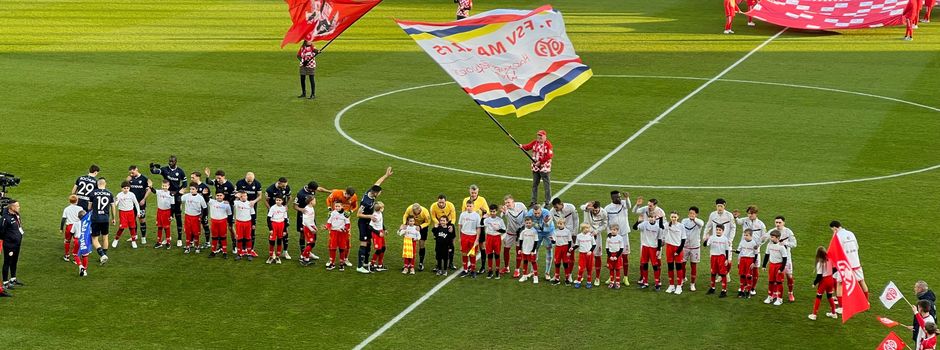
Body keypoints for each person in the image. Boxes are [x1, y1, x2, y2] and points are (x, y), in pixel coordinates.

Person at [355, 167, 393, 274]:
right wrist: (370, 216)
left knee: (368, 243)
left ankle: (366, 262)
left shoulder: (371, 191)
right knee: (363, 243)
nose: (380, 194)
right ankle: (359, 266)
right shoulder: (366, 202)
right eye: (379, 193)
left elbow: (378, 182)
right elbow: (358, 214)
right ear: (375, 193)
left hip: (369, 223)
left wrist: (386, 175)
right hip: (363, 223)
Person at [150, 156, 186, 247]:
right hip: (166, 196)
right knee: (165, 219)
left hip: (175, 197)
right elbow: (154, 172)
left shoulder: (180, 171)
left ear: (176, 162)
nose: (170, 162)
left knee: (177, 216)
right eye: (169, 161)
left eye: (172, 161)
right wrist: (152, 167)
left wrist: (177, 193)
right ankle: (167, 239)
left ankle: (179, 238)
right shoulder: (164, 169)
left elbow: (185, 184)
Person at [735, 205, 766, 296]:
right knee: (741, 267)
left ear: (756, 213)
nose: (749, 215)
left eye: (751, 213)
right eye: (748, 213)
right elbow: (738, 222)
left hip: (755, 250)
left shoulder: (761, 224)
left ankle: (752, 288)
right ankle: (744, 285)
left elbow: (764, 237)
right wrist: (736, 216)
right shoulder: (745, 220)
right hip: (744, 249)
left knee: (755, 268)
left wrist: (758, 245)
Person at [204, 168, 236, 252]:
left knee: (230, 227)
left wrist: (228, 201)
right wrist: (207, 176)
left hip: (228, 206)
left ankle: (234, 244)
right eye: (217, 178)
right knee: (218, 227)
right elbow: (209, 182)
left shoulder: (229, 185)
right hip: (219, 206)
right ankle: (220, 246)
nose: (218, 180)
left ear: (223, 177)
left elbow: (234, 196)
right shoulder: (216, 181)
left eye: (219, 178)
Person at [520, 130, 554, 206]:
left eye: (541, 136)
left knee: (546, 185)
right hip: (535, 167)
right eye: (538, 135)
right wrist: (522, 146)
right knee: (535, 184)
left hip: (544, 168)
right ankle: (533, 201)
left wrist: (540, 162)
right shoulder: (535, 142)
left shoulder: (548, 145)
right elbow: (528, 147)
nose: (539, 137)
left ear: (545, 137)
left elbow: (549, 156)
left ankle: (547, 201)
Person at [604, 191, 631, 284]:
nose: (619, 199)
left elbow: (629, 206)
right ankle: (611, 277)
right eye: (617, 198)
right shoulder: (607, 208)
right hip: (613, 236)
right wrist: (609, 233)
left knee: (625, 255)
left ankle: (625, 277)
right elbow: (606, 222)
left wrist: (627, 198)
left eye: (620, 197)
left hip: (624, 234)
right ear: (612, 198)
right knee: (612, 256)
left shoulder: (624, 203)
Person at [326, 186, 357, 267]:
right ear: (345, 193)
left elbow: (355, 206)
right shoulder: (337, 193)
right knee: (332, 241)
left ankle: (345, 259)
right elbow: (328, 200)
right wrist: (329, 210)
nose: (348, 198)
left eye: (350, 197)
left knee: (347, 241)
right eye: (347, 196)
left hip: (345, 221)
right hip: (335, 221)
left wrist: (350, 211)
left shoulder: (354, 197)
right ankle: (331, 260)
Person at [462, 185, 488, 274]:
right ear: (469, 191)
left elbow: (487, 213)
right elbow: (463, 213)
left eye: (475, 193)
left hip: (479, 226)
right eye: (472, 193)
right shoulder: (465, 200)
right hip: (469, 228)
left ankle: (483, 267)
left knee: (482, 246)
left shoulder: (482, 200)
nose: (473, 194)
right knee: (468, 247)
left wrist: (483, 211)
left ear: (478, 192)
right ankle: (470, 265)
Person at [633, 214, 664, 290]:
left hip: (654, 248)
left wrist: (659, 249)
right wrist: (638, 221)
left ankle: (657, 283)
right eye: (650, 217)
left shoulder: (658, 227)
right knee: (644, 264)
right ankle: (645, 282)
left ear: (655, 218)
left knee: (655, 266)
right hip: (645, 247)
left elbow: (660, 239)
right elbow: (634, 228)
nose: (651, 219)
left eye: (652, 217)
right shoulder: (644, 224)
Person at [549, 198, 578, 279]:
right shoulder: (552, 211)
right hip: (560, 236)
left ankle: (570, 275)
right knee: (558, 257)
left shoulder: (571, 207)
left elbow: (576, 220)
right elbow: (549, 221)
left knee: (570, 255)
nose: (555, 209)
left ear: (561, 204)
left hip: (570, 235)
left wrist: (575, 234)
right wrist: (546, 222)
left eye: (557, 207)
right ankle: (556, 275)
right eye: (554, 207)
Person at [235, 172, 263, 257]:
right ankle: (242, 249)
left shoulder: (257, 183)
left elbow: (260, 196)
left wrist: (253, 202)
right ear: (246, 178)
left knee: (251, 230)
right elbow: (236, 194)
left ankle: (250, 249)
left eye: (252, 181)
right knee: (241, 233)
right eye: (249, 181)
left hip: (251, 205)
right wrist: (238, 201)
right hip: (241, 206)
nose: (250, 182)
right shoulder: (239, 183)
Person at [580, 201, 607, 286]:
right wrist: (587, 207)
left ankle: (597, 278)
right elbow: (581, 207)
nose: (594, 212)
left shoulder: (603, 213)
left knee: (598, 256)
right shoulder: (587, 209)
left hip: (596, 235)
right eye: (593, 210)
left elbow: (605, 224)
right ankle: (581, 275)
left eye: (596, 210)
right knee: (584, 255)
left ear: (599, 208)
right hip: (586, 235)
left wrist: (597, 231)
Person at [89, 178, 115, 264]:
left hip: (96, 219)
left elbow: (89, 208)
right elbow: (113, 207)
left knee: (94, 239)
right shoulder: (110, 193)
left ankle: (102, 255)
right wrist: (114, 218)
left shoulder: (93, 193)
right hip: (105, 219)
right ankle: (104, 255)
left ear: (97, 184)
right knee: (105, 237)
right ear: (105, 183)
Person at [808, 246, 837, 320]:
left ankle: (814, 314)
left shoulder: (820, 263)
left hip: (824, 281)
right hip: (831, 279)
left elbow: (819, 276)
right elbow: (835, 269)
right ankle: (834, 313)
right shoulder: (830, 259)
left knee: (818, 297)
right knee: (829, 296)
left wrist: (814, 283)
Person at [264, 177, 292, 254]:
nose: (285, 187)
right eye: (283, 186)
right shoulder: (270, 189)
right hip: (273, 214)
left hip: (282, 212)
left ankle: (285, 251)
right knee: (272, 231)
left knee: (285, 230)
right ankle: (272, 252)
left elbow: (290, 197)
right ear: (279, 183)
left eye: (286, 185)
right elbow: (266, 201)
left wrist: (286, 205)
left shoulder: (286, 187)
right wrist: (271, 210)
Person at [501, 195, 527, 276]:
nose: (507, 204)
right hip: (510, 232)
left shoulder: (521, 206)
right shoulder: (506, 209)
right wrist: (504, 211)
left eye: (508, 202)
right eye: (506, 203)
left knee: (518, 250)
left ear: (513, 201)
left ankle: (517, 269)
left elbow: (527, 216)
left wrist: (523, 227)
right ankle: (506, 267)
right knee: (506, 250)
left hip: (520, 233)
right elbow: (502, 215)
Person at [1, 200, 24, 292]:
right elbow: (1, 231)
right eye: (17, 206)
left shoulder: (16, 215)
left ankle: (13, 279)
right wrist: (9, 238)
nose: (19, 207)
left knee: (14, 261)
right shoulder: (5, 218)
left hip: (17, 243)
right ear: (11, 207)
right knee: (7, 262)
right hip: (9, 244)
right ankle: (5, 282)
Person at [430, 194, 457, 270]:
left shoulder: (450, 205)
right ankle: (438, 264)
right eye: (439, 202)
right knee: (438, 243)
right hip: (439, 223)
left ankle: (451, 263)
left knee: (451, 243)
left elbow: (454, 217)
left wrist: (451, 225)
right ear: (437, 201)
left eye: (442, 202)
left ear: (445, 201)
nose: (441, 204)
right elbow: (433, 217)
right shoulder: (433, 206)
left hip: (449, 223)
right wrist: (438, 223)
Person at [762, 229, 789, 306]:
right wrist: (764, 265)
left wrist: (781, 268)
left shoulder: (781, 247)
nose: (771, 238)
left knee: (779, 282)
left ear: (777, 238)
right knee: (771, 281)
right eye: (771, 237)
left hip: (779, 265)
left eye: (772, 237)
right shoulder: (769, 245)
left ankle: (779, 299)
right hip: (772, 265)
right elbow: (767, 255)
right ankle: (770, 297)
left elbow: (785, 259)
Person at [112, 181, 142, 249]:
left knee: (132, 227)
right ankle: (116, 240)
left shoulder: (132, 194)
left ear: (129, 188)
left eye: (127, 188)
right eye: (124, 188)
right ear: (121, 188)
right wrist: (114, 204)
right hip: (122, 212)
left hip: (130, 212)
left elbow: (136, 203)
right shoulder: (119, 195)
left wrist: (138, 212)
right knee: (122, 227)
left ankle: (133, 241)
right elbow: (115, 203)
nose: (126, 189)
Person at [704, 225, 732, 298]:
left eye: (720, 230)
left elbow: (727, 249)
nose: (718, 231)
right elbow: (705, 245)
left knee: (723, 274)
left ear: (723, 231)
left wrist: (727, 259)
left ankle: (724, 291)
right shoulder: (712, 237)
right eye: (717, 229)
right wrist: (706, 239)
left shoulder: (725, 239)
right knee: (713, 273)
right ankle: (712, 288)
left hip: (721, 257)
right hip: (713, 257)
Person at [528, 204, 555, 279]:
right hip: (537, 233)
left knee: (549, 249)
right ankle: (532, 271)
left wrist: (545, 222)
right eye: (535, 213)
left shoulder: (546, 213)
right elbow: (527, 224)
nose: (536, 215)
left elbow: (547, 226)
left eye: (538, 213)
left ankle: (547, 273)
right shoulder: (529, 214)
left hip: (548, 232)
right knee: (535, 249)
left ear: (541, 210)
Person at [681, 206, 704, 292]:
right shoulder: (684, 221)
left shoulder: (699, 222)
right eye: (690, 213)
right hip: (685, 247)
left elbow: (701, 224)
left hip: (695, 247)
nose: (691, 215)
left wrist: (694, 219)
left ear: (696, 214)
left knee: (693, 265)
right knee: (682, 264)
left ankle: (692, 284)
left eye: (693, 213)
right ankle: (682, 278)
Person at [662, 211, 686, 294]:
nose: (673, 218)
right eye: (672, 217)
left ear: (678, 217)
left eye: (675, 217)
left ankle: (679, 286)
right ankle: (671, 285)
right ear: (670, 217)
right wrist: (661, 218)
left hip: (678, 248)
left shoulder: (681, 226)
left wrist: (678, 251)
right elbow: (661, 226)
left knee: (679, 267)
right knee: (670, 267)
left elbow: (683, 239)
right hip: (669, 247)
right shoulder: (667, 225)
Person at [233, 191, 262, 261]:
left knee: (248, 238)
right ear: (240, 197)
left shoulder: (250, 203)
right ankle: (239, 254)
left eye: (245, 196)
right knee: (239, 238)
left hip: (248, 223)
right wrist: (235, 196)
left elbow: (253, 214)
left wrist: (253, 224)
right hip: (239, 223)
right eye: (242, 196)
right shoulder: (236, 203)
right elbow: (230, 201)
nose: (244, 197)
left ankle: (249, 254)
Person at [402, 203, 431, 271]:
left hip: (422, 226)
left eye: (415, 212)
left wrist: (420, 227)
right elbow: (405, 215)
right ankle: (408, 264)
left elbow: (428, 222)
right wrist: (404, 224)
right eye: (413, 212)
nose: (414, 214)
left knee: (421, 244)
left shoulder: (425, 212)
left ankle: (421, 263)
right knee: (409, 244)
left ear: (419, 209)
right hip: (412, 225)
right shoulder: (410, 208)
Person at [775, 216, 798, 302]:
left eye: (779, 222)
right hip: (776, 258)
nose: (778, 224)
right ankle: (775, 293)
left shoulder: (788, 232)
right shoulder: (773, 231)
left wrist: (786, 243)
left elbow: (794, 244)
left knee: (789, 276)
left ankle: (790, 293)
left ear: (783, 223)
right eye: (776, 222)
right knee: (775, 276)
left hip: (786, 258)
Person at [126, 166, 150, 245]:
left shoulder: (144, 179)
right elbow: (124, 189)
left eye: (132, 172)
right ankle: (134, 236)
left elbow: (149, 189)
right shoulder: (130, 179)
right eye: (130, 173)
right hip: (131, 204)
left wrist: (144, 199)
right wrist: (127, 181)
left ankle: (143, 237)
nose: (131, 174)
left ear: (137, 170)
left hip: (141, 204)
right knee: (132, 220)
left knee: (141, 219)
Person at [148, 179, 175, 248]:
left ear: (168, 186)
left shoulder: (171, 194)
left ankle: (168, 242)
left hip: (167, 212)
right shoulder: (159, 192)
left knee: (166, 228)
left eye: (165, 186)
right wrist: (151, 186)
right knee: (159, 227)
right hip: (159, 212)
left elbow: (173, 206)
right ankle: (159, 242)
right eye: (163, 185)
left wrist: (172, 215)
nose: (164, 187)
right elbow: (154, 191)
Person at [181, 184, 207, 254]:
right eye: (190, 189)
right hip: (188, 217)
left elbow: (204, 207)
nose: (191, 190)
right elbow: (179, 199)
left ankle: (197, 247)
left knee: (196, 233)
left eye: (193, 189)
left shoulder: (200, 198)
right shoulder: (186, 196)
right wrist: (179, 193)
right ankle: (187, 247)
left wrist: (202, 217)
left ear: (197, 190)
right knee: (188, 233)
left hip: (196, 217)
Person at [457, 201, 481, 278]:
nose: (469, 207)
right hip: (464, 235)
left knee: (472, 254)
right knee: (464, 253)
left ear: (473, 206)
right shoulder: (463, 214)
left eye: (470, 206)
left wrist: (477, 239)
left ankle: (473, 270)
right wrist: (460, 237)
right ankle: (465, 270)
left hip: (473, 236)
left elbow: (478, 228)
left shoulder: (477, 216)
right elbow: (459, 225)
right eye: (467, 206)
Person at [482, 204, 506, 279]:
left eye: (494, 211)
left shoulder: (500, 220)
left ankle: (497, 271)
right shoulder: (487, 219)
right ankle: (490, 271)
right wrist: (483, 218)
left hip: (497, 238)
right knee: (489, 254)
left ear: (496, 211)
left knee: (497, 254)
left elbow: (504, 230)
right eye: (491, 211)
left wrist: (497, 229)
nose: (492, 213)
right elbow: (481, 224)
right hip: (489, 237)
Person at [325, 201, 350, 270]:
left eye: (338, 206)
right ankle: (332, 263)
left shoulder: (345, 214)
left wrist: (344, 229)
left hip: (342, 233)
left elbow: (348, 224)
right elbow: (329, 222)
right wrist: (327, 227)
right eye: (336, 206)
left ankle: (341, 263)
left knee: (342, 248)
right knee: (333, 248)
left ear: (342, 206)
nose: (337, 207)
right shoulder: (332, 213)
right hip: (334, 233)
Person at [190, 172, 212, 249]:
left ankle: (207, 242)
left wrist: (205, 195)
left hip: (203, 209)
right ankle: (192, 241)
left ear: (198, 177)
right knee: (193, 225)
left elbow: (209, 200)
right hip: (194, 209)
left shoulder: (204, 187)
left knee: (205, 224)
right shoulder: (192, 186)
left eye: (193, 177)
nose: (191, 179)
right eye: (191, 177)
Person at [736, 229, 760, 298]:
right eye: (744, 235)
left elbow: (756, 254)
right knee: (742, 275)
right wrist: (733, 250)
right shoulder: (742, 242)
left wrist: (753, 262)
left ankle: (748, 291)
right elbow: (738, 251)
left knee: (748, 276)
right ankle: (742, 291)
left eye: (747, 235)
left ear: (751, 236)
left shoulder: (754, 243)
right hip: (742, 259)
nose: (745, 236)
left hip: (750, 260)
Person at [207, 192, 232, 259]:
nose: (219, 197)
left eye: (220, 195)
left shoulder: (226, 204)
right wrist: (205, 193)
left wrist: (230, 224)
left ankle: (224, 252)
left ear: (223, 196)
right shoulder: (212, 202)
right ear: (215, 196)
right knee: (214, 237)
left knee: (223, 237)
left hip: (223, 222)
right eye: (217, 195)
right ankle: (213, 252)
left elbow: (229, 214)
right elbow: (205, 198)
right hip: (214, 222)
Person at [61, 195, 85, 262]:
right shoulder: (80, 208)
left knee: (67, 241)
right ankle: (75, 258)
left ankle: (67, 256)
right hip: (78, 226)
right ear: (77, 200)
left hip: (69, 226)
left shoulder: (66, 209)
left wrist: (61, 228)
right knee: (76, 241)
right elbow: (83, 217)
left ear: (69, 201)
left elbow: (63, 219)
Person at [549, 218, 574, 285]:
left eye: (561, 224)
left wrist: (569, 251)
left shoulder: (567, 231)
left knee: (565, 264)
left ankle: (567, 279)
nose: (559, 225)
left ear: (564, 224)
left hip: (565, 248)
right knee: (557, 263)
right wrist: (551, 240)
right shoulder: (555, 231)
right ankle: (557, 279)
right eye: (558, 223)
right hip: (558, 248)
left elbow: (569, 242)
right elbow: (554, 242)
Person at [572, 223, 596, 289]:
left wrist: (590, 251)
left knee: (589, 269)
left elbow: (594, 245)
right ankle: (578, 282)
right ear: (583, 229)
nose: (588, 229)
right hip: (582, 255)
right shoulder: (579, 236)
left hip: (589, 255)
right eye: (586, 228)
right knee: (581, 269)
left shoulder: (591, 235)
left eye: (588, 228)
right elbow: (577, 245)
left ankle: (589, 282)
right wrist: (572, 248)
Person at [267, 197, 289, 265]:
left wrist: (285, 230)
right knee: (272, 241)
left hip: (281, 225)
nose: (278, 201)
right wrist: (270, 229)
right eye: (277, 200)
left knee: (279, 241)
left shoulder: (284, 208)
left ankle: (277, 257)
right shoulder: (273, 208)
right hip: (274, 224)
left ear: (282, 201)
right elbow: (268, 218)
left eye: (279, 200)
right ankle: (271, 256)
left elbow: (285, 219)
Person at [517, 217, 539, 284]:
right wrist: (520, 249)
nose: (528, 224)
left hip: (531, 251)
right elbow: (521, 240)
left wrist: (533, 250)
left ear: (532, 223)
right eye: (527, 223)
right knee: (525, 262)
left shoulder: (534, 231)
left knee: (533, 262)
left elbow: (536, 242)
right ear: (525, 223)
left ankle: (535, 277)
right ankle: (524, 275)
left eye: (529, 223)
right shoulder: (523, 231)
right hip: (525, 250)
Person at [367, 201, 387, 271]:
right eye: (383, 207)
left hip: (380, 231)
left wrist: (384, 229)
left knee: (383, 248)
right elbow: (370, 227)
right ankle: (372, 264)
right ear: (380, 208)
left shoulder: (380, 213)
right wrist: (378, 233)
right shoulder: (375, 216)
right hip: (376, 234)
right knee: (379, 250)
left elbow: (381, 222)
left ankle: (380, 264)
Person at [299, 196, 319, 266]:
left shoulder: (311, 208)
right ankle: (303, 257)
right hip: (307, 227)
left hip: (311, 226)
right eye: (314, 200)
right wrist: (311, 229)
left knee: (312, 243)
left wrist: (314, 226)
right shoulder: (307, 209)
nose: (315, 202)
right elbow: (306, 221)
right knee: (310, 243)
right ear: (311, 202)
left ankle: (306, 259)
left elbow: (311, 219)